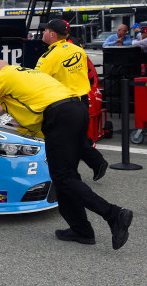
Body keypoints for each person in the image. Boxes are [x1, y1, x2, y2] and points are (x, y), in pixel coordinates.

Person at [0, 60, 133, 250]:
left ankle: (114, 214)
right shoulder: (24, 74)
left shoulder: (2, 75)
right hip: (76, 111)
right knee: (66, 177)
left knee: (63, 177)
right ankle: (81, 230)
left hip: (60, 116)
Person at [35, 19, 108, 181]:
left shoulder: (48, 57)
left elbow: (36, 81)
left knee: (65, 142)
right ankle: (97, 163)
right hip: (82, 101)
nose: (42, 33)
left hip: (64, 105)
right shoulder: (78, 50)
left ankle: (73, 177)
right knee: (76, 139)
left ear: (52, 34)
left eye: (45, 30)